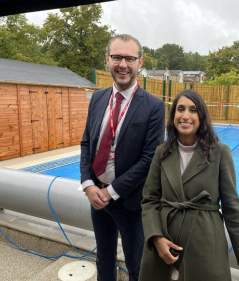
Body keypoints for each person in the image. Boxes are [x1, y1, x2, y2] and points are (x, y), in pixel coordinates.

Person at [139, 90, 239, 281]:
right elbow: (149, 201)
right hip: (164, 243)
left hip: (205, 246)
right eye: (180, 109)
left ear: (201, 117)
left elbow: (232, 209)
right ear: (173, 116)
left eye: (193, 110)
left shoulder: (220, 153)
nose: (186, 116)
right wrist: (156, 238)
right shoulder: (161, 152)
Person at [80, 34, 165, 281]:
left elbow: (150, 159)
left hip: (131, 202)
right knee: (104, 261)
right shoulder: (97, 98)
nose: (123, 65)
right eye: (117, 57)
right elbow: (87, 143)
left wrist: (112, 191)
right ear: (108, 59)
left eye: (129, 58)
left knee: (137, 266)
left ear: (140, 62)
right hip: (97, 198)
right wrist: (88, 185)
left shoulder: (153, 107)